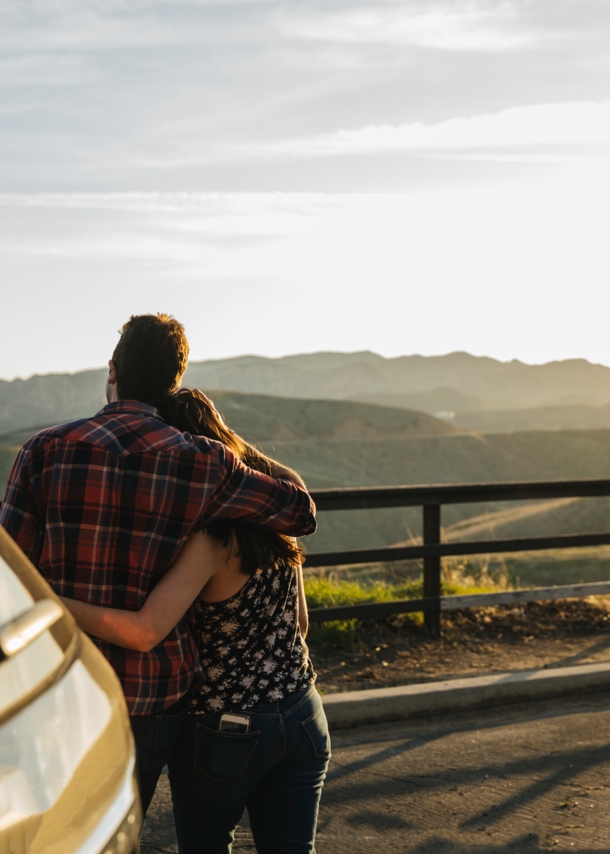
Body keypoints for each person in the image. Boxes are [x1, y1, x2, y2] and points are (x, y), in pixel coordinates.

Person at [0, 314, 316, 815]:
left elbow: (8, 575)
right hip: (153, 696)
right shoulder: (207, 462)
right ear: (174, 382)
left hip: (60, 685)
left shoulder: (44, 450)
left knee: (56, 828)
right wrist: (230, 442)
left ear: (112, 371)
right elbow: (300, 510)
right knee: (122, 827)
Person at [60, 387, 330, 854]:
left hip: (228, 726)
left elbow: (146, 631)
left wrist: (54, 603)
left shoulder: (212, 539)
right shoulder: (274, 519)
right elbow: (300, 624)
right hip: (304, 712)